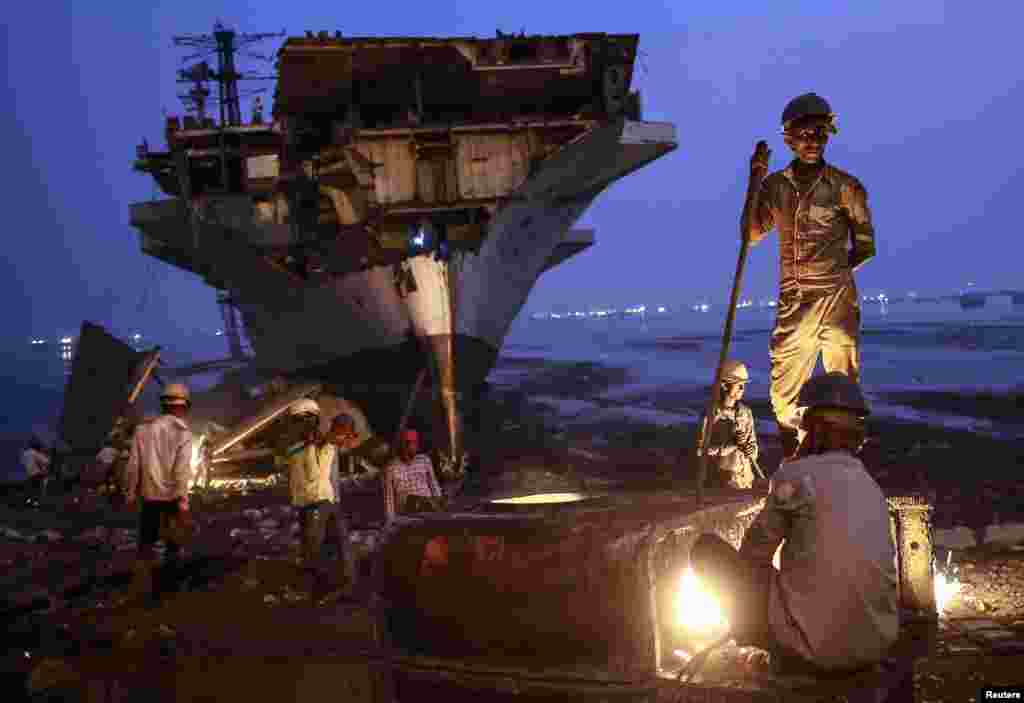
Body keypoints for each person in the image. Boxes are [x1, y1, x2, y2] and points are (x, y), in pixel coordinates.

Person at [688, 373, 898, 674]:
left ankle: (775, 651)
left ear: (814, 430)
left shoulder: (797, 476)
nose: (799, 438)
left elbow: (752, 555)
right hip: (873, 645)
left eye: (802, 432)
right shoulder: (871, 486)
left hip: (813, 651)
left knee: (707, 550)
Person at [741, 93, 876, 459]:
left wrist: (833, 275)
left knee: (844, 380)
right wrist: (754, 179)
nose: (814, 141)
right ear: (789, 138)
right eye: (805, 134)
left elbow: (865, 245)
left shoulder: (847, 187)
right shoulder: (775, 186)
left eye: (821, 133)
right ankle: (792, 460)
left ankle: (845, 457)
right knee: (784, 390)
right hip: (794, 300)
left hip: (837, 299)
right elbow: (750, 235)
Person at [123, 382, 194, 604]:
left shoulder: (142, 430)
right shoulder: (183, 433)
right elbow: (181, 473)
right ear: (184, 406)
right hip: (171, 498)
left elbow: (133, 466)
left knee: (146, 544)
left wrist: (130, 494)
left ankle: (143, 590)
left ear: (163, 404)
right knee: (172, 544)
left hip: (148, 498)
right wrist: (183, 504)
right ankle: (168, 588)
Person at [693, 360, 762, 489]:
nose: (742, 389)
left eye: (743, 385)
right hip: (720, 483)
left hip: (745, 481)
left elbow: (753, 448)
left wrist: (750, 451)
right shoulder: (710, 415)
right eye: (739, 385)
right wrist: (732, 446)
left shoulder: (746, 413)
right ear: (725, 385)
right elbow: (700, 451)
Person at [382, 429, 443, 523]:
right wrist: (390, 521)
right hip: (406, 516)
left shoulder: (424, 461)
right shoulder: (391, 468)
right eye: (407, 443)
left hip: (428, 512)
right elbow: (389, 499)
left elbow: (434, 486)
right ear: (401, 446)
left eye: (414, 443)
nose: (411, 446)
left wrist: (440, 509)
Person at [21, 439, 51, 508]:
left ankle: (28, 502)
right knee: (37, 490)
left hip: (28, 474)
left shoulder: (24, 453)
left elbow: (23, 463)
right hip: (36, 473)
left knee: (30, 489)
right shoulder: (35, 453)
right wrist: (47, 455)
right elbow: (46, 462)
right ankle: (35, 504)